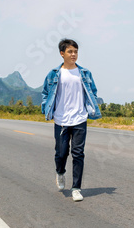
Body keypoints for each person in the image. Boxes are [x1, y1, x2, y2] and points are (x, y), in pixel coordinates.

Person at [41, 38, 102, 201]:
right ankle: (60, 172)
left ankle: (76, 188)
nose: (74, 54)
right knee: (61, 153)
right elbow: (46, 93)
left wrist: (89, 107)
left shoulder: (84, 73)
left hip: (80, 119)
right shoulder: (54, 74)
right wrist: (47, 109)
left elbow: (93, 92)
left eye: (75, 51)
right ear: (62, 54)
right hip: (61, 119)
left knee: (78, 153)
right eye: (70, 51)